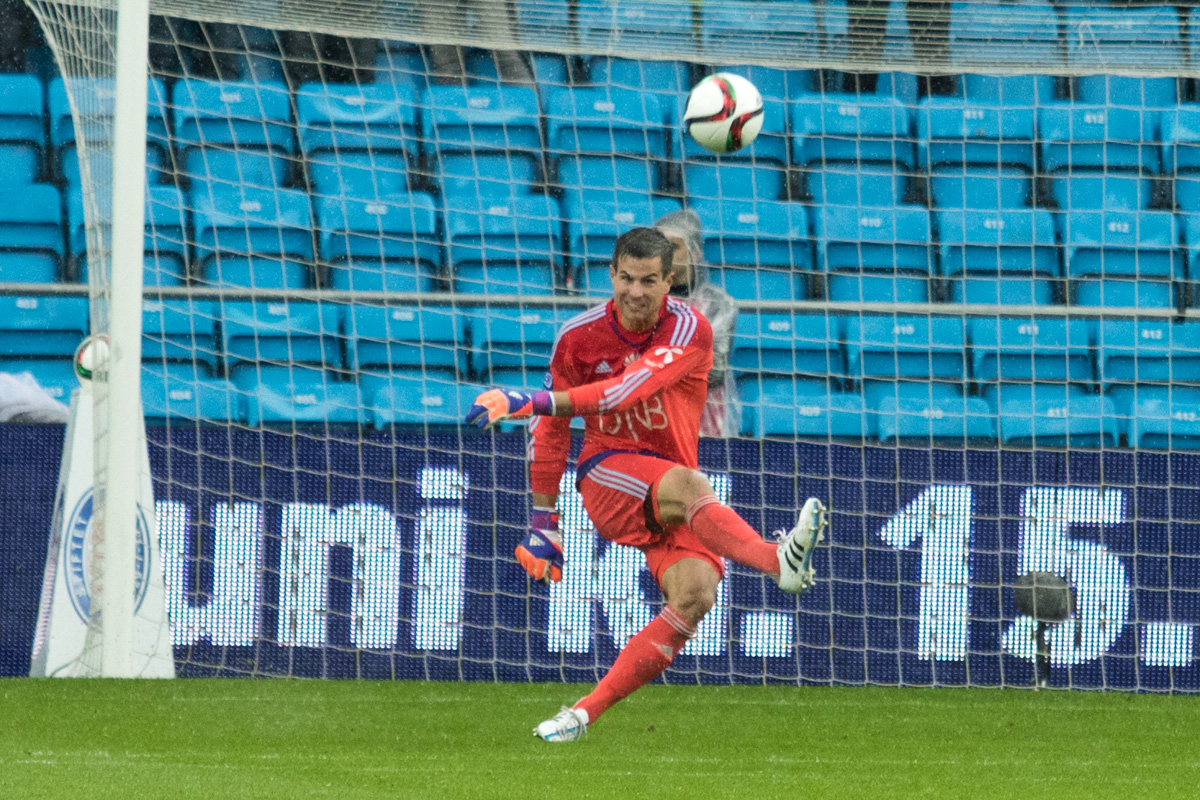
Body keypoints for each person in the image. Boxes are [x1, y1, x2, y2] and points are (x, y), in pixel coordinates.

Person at [465, 227, 828, 742]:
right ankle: (777, 561)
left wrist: (529, 398)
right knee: (687, 481)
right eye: (626, 279)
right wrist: (544, 521)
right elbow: (549, 434)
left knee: (696, 595)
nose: (635, 292)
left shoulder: (689, 328)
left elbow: (628, 388)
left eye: (648, 281)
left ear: (669, 282)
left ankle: (581, 716)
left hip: (668, 491)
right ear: (611, 274)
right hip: (609, 475)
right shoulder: (578, 336)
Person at [654, 208, 740, 438]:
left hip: (705, 425)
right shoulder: (641, 301)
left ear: (695, 252)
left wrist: (657, 368)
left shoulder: (718, 305)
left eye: (673, 248)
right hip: (650, 422)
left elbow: (715, 372)